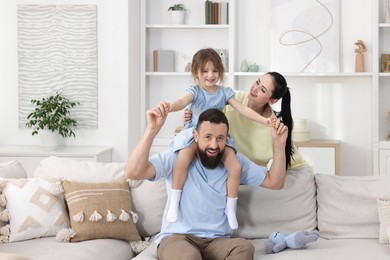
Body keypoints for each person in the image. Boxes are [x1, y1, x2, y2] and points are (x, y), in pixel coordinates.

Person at [124, 105, 288, 260]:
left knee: (244, 248)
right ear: (196, 136)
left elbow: (275, 182)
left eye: (220, 138)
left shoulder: (235, 162)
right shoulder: (175, 158)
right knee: (189, 257)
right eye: (208, 137)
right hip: (178, 238)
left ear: (227, 138)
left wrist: (279, 145)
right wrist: (151, 130)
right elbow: (133, 172)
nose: (214, 145)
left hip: (217, 241)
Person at [164, 48, 272, 229]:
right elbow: (182, 102)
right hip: (195, 133)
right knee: (182, 158)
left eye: (215, 71)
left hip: (219, 136)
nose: (210, 75)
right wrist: (169, 106)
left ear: (220, 72)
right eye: (205, 71)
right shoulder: (195, 91)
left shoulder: (225, 92)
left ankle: (230, 207)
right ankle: (175, 201)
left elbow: (244, 110)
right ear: (196, 73)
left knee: (235, 166)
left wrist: (265, 121)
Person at [184, 71, 307, 170]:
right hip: (218, 165)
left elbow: (295, 161)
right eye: (257, 82)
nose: (255, 88)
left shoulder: (273, 127)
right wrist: (190, 116)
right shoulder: (233, 98)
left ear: (272, 100)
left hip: (250, 176)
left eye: (263, 90)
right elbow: (204, 116)